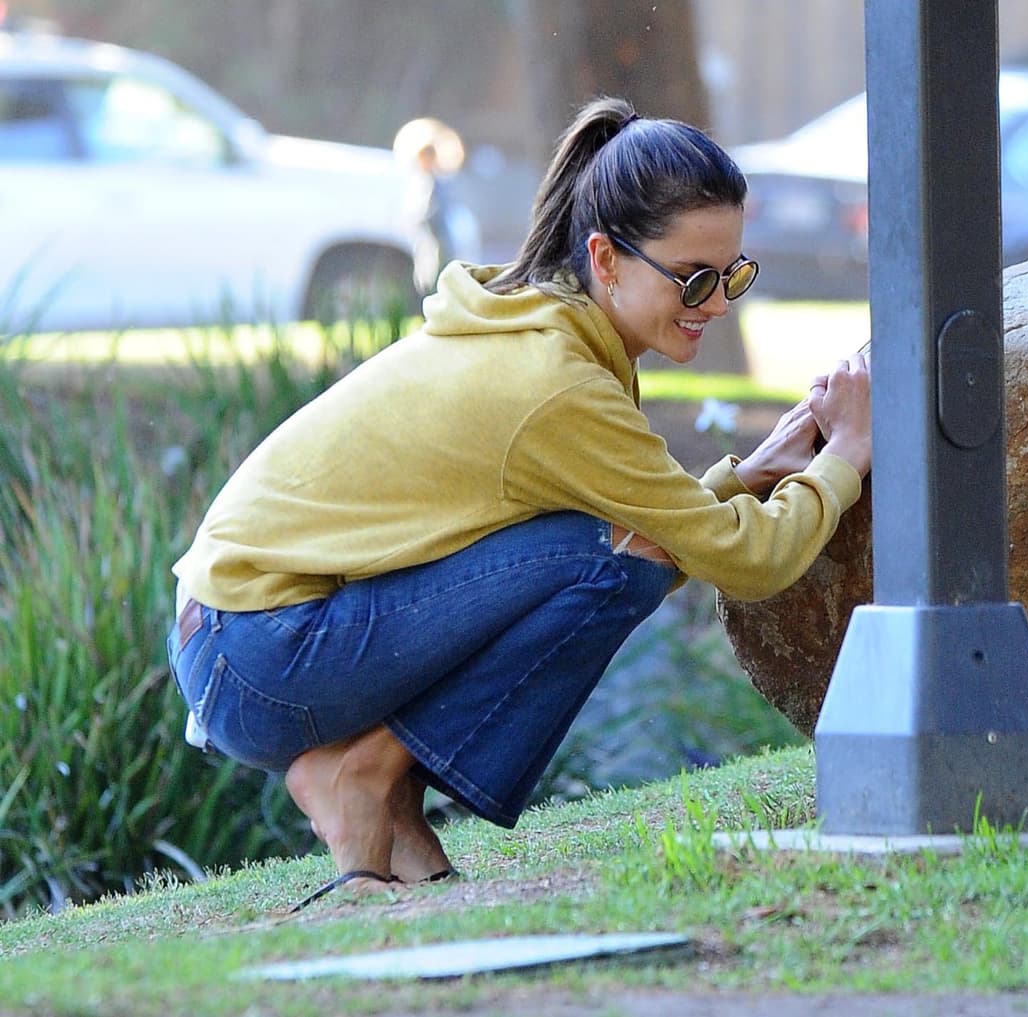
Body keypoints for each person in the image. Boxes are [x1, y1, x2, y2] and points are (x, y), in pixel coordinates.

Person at [166, 96, 872, 908]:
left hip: (240, 640)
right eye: (694, 278)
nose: (716, 304)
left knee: (611, 545)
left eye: (733, 275)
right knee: (605, 559)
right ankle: (361, 773)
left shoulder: (548, 330)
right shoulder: (559, 383)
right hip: (258, 653)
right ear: (605, 257)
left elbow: (668, 525)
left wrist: (756, 470)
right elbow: (749, 560)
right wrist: (846, 454)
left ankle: (390, 806)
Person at [392, 116, 481, 292]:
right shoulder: (420, 182)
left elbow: (438, 212)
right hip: (426, 241)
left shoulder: (439, 183)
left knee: (439, 278)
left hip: (439, 239)